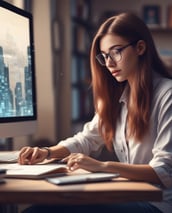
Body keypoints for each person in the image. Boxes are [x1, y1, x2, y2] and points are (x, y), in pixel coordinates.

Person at [19, 12, 172, 213]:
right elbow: (86, 139)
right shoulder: (119, 97)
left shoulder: (167, 95)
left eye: (116, 52)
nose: (109, 63)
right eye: (105, 56)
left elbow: (164, 171)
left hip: (158, 205)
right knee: (40, 208)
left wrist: (103, 167)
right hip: (132, 194)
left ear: (140, 48)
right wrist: (47, 152)